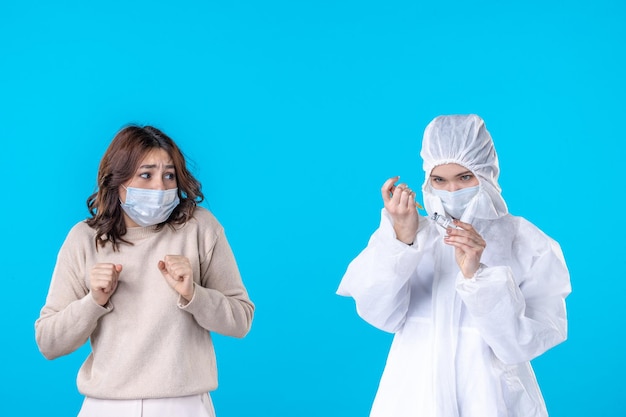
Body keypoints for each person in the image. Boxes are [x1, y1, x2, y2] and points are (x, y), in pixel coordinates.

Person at [337, 114, 571, 417]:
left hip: (492, 400)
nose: (451, 191)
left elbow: (521, 345)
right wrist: (402, 241)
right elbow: (379, 314)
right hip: (412, 397)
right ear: (427, 180)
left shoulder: (524, 242)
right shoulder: (413, 234)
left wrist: (478, 274)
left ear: (485, 174)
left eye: (464, 178)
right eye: (439, 180)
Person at [35, 125, 254, 417]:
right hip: (106, 406)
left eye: (169, 175)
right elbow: (49, 342)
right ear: (117, 179)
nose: (160, 187)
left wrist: (193, 294)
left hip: (184, 405)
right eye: (146, 174)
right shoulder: (84, 240)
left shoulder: (200, 228)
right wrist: (94, 301)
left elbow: (241, 320)